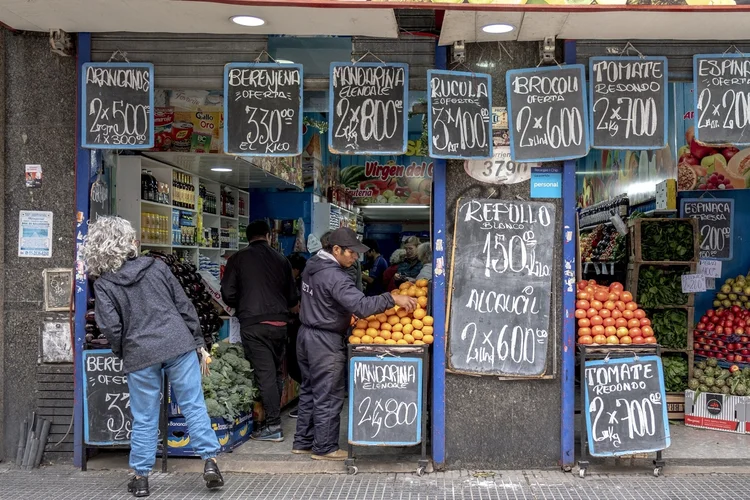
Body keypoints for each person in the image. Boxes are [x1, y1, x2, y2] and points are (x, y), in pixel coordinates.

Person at [83, 216, 223, 497]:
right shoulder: (156, 267)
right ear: (128, 241)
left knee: (145, 417)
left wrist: (124, 350)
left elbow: (111, 327)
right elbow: (184, 306)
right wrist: (198, 341)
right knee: (193, 405)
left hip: (140, 354)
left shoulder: (104, 284)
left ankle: (141, 477)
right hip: (178, 344)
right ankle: (210, 463)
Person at [293, 228, 417, 460]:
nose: (356, 258)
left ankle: (303, 442)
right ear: (336, 249)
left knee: (310, 390)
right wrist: (392, 298)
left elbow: (327, 299)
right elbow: (361, 306)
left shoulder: (313, 265)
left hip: (306, 334)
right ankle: (325, 448)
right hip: (325, 340)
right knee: (328, 394)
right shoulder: (336, 276)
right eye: (351, 253)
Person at [221, 220, 298, 442]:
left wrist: (243, 301)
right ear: (268, 235)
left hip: (254, 324)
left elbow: (228, 294)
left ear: (248, 237)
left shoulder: (236, 259)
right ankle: (271, 419)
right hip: (280, 324)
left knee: (264, 375)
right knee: (275, 373)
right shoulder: (281, 260)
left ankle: (273, 426)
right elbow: (292, 297)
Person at [286, 252, 308, 419]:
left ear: (296, 270)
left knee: (297, 366)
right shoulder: (301, 283)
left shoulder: (300, 285)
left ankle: (306, 406)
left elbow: (296, 308)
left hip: (299, 329)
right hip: (300, 329)